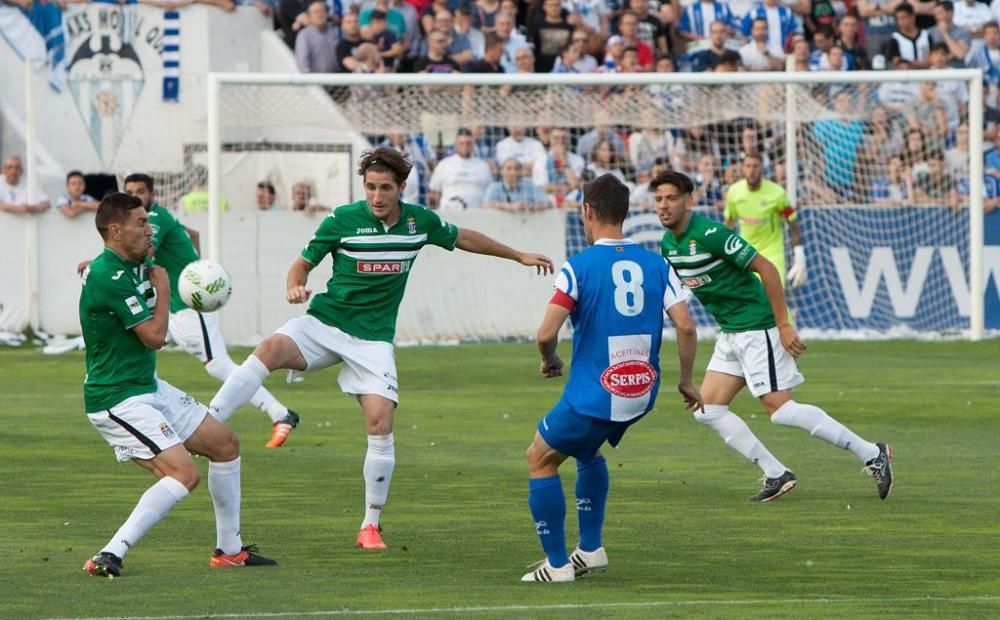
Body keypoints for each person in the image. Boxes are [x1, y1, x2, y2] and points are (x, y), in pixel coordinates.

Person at [206, 147, 554, 550]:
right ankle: (208, 422)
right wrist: (294, 285)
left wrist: (518, 255)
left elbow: (463, 238)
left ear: (401, 187)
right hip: (324, 324)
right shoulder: (342, 219)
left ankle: (370, 525)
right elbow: (302, 263)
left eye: (385, 187)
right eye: (370, 187)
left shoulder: (418, 221)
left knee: (380, 422)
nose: (376, 196)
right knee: (268, 349)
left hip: (372, 341)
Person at [654, 170, 894, 503]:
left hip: (756, 326)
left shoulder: (711, 234)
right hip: (731, 332)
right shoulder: (669, 244)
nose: (664, 206)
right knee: (707, 409)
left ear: (688, 200)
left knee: (780, 410)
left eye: (671, 198)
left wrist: (783, 325)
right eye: (658, 199)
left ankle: (871, 452)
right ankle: (775, 473)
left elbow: (766, 268)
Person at [79, 192, 275, 578]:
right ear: (115, 231)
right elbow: (154, 336)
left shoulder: (128, 262)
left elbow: (127, 265)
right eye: (141, 224)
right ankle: (110, 553)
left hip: (146, 387)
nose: (149, 230)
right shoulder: (110, 276)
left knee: (225, 445)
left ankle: (230, 551)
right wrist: (166, 289)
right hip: (116, 399)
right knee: (183, 475)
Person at [521, 173, 700, 583]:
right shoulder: (658, 264)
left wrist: (550, 360)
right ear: (626, 212)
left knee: (539, 458)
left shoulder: (577, 267)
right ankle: (591, 549)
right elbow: (687, 327)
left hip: (596, 394)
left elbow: (546, 333)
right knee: (587, 451)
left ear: (587, 211)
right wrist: (687, 381)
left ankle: (557, 565)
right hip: (640, 391)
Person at [124, 174, 301, 447]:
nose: (136, 196)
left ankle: (279, 412)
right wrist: (196, 267)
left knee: (218, 364)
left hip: (188, 306)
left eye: (140, 191)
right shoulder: (154, 219)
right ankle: (147, 416)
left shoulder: (155, 219)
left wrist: (197, 284)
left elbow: (142, 253)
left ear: (152, 193)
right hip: (172, 307)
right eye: (130, 191)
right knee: (139, 351)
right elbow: (193, 235)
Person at [724, 152, 806, 289]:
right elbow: (727, 227)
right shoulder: (734, 192)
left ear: (762, 168)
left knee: (774, 302)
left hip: (772, 255)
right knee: (751, 305)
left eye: (755, 166)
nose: (751, 171)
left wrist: (800, 256)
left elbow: (793, 224)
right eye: (748, 166)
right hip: (746, 254)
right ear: (743, 168)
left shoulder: (777, 194)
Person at [427, 128, 493, 210]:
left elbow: (490, 194)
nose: (465, 146)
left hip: (477, 217)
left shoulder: (483, 167)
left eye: (468, 143)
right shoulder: (444, 165)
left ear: (473, 144)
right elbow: (433, 193)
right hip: (450, 216)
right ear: (456, 144)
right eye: (461, 143)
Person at [482, 158, 548, 210]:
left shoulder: (529, 185)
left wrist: (528, 207)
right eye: (509, 168)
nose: (513, 172)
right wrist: (510, 207)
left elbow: (547, 203)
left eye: (516, 169)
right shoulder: (494, 187)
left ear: (521, 171)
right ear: (502, 171)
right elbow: (486, 204)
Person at [295, 0, 341, 73]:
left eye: (322, 11)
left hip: (338, 79)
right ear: (309, 17)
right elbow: (303, 64)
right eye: (316, 12)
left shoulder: (333, 31)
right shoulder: (304, 35)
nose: (320, 14)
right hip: (317, 81)